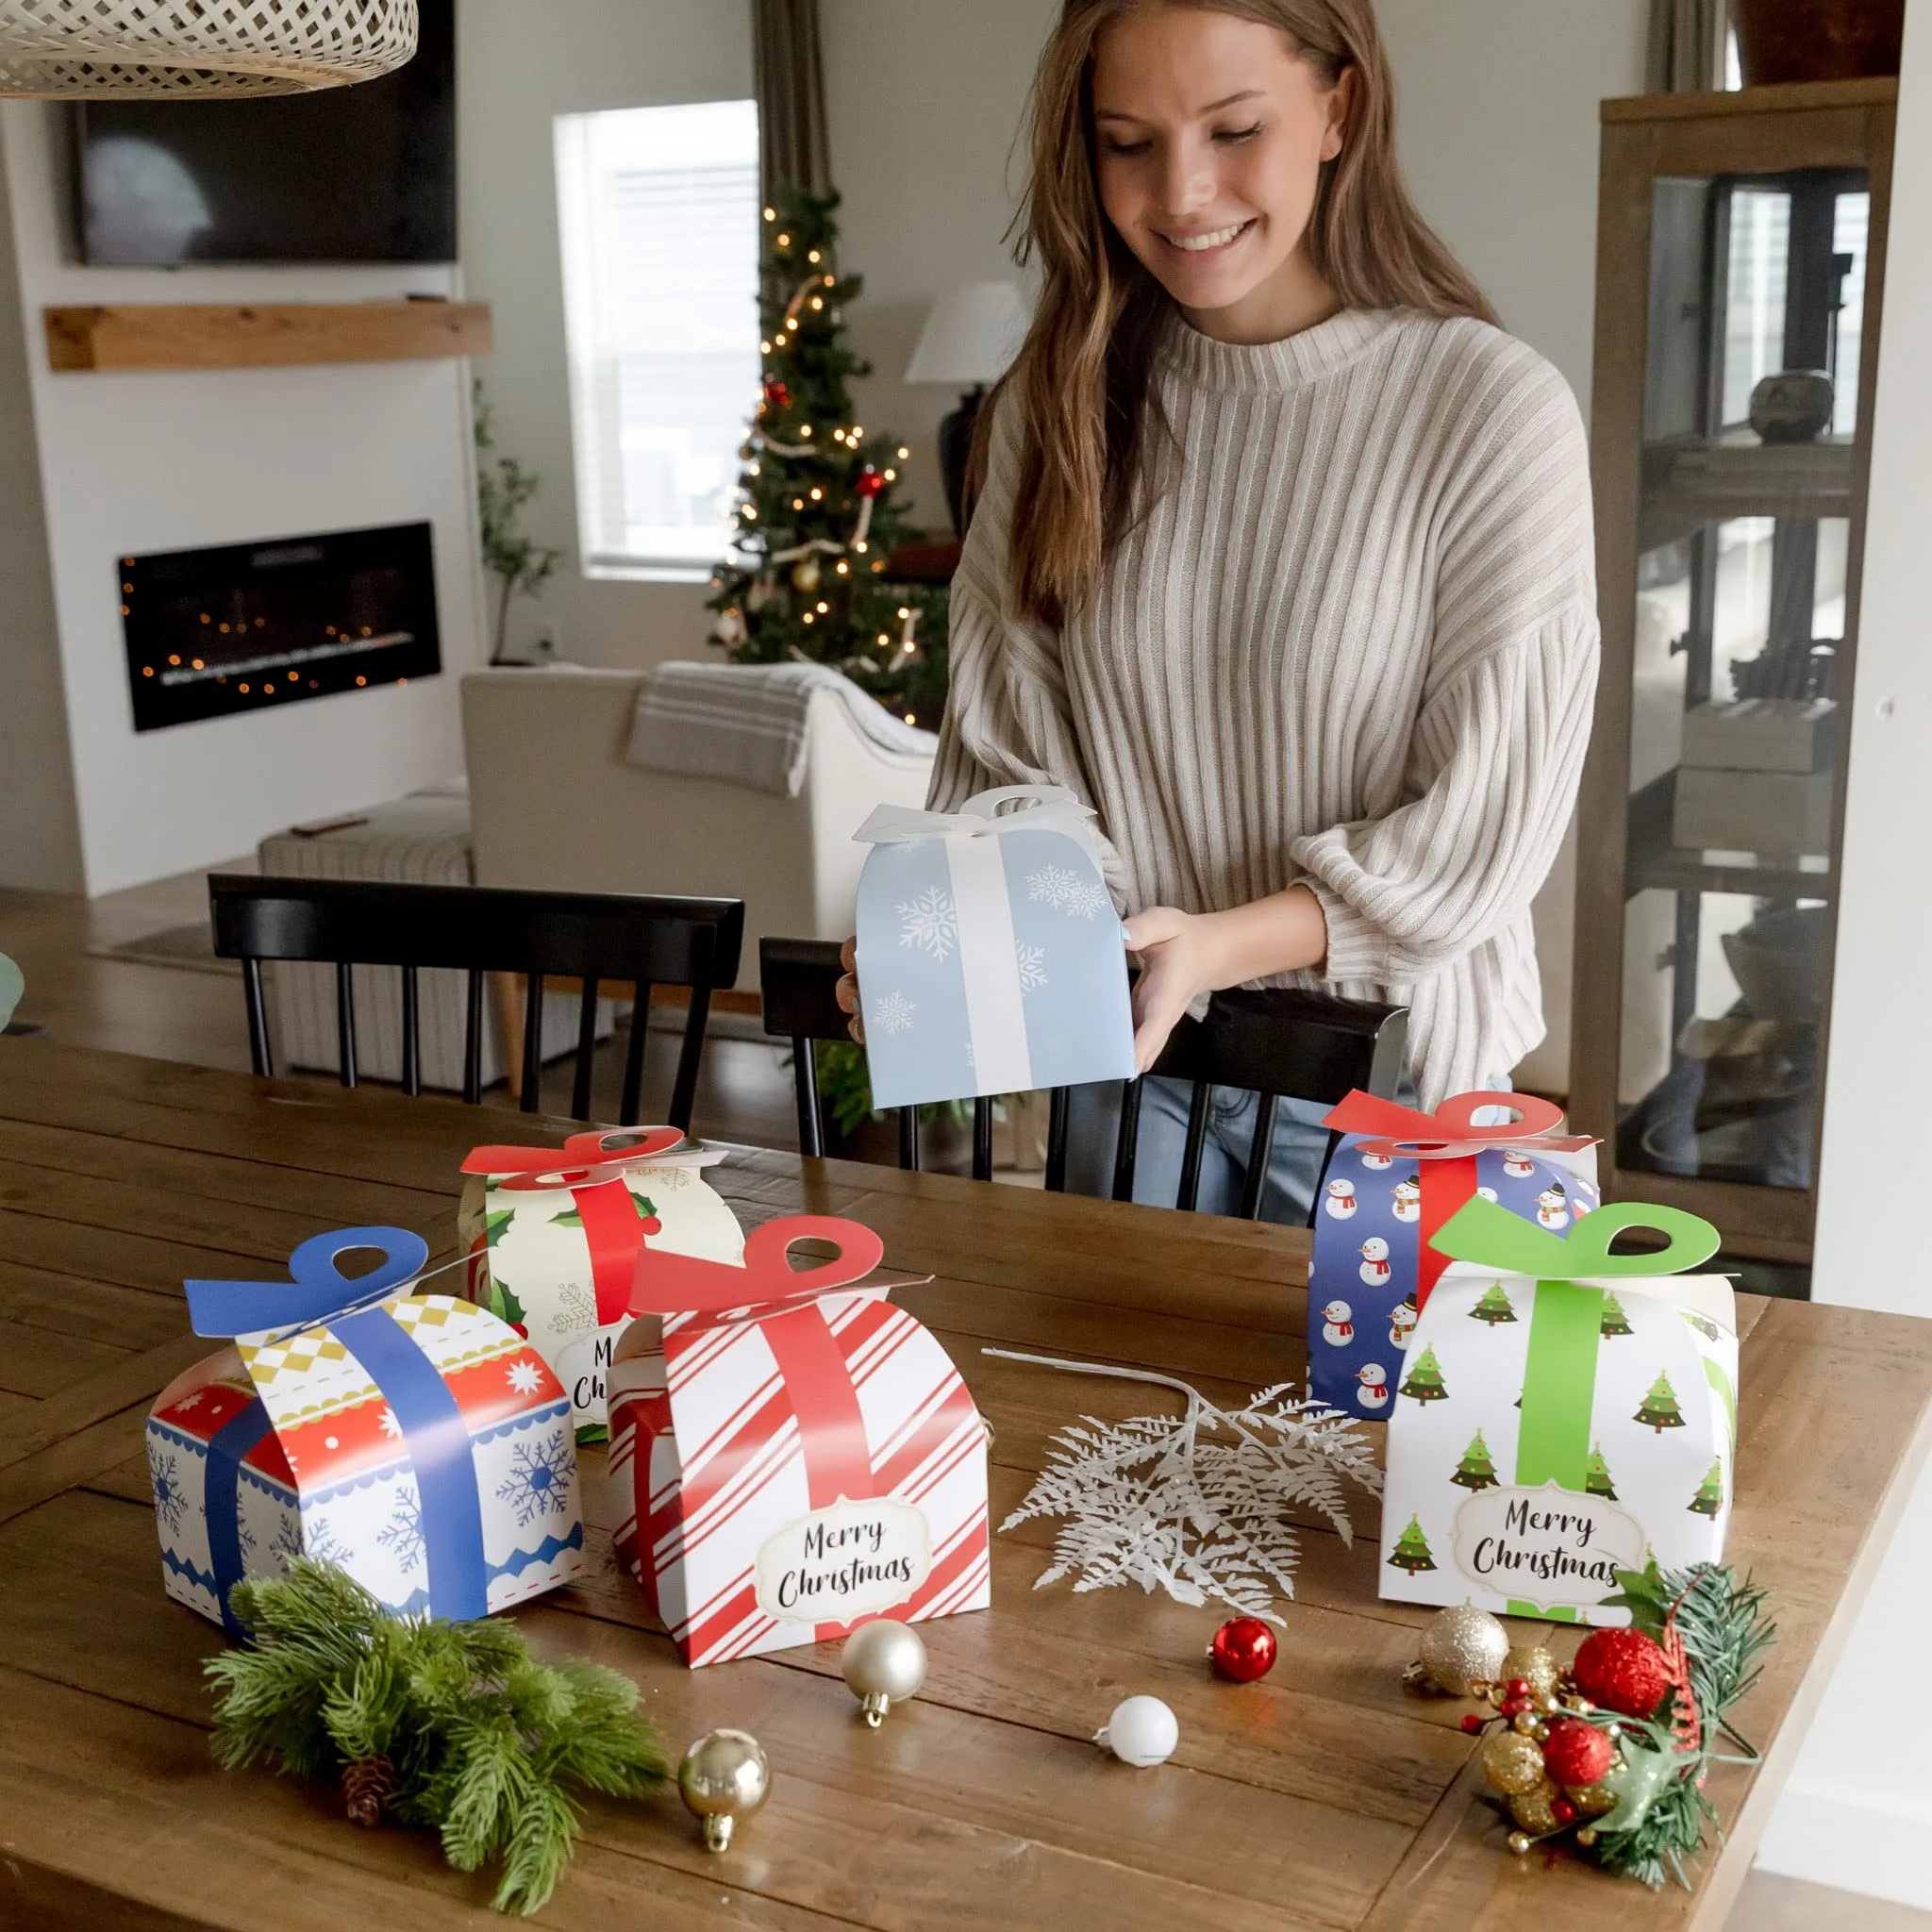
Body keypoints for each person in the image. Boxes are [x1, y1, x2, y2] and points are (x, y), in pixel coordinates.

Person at [840, 0, 1597, 1221]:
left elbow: (1477, 842)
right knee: (1101, 1419)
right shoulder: (1056, 405)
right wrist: (959, 939)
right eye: (1128, 141)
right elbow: (1004, 759)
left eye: (1233, 127)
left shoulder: (1489, 412)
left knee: (1387, 1425)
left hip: (1398, 1106)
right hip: (1137, 1093)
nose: (1182, 194)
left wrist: (1216, 946)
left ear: (1338, 107)